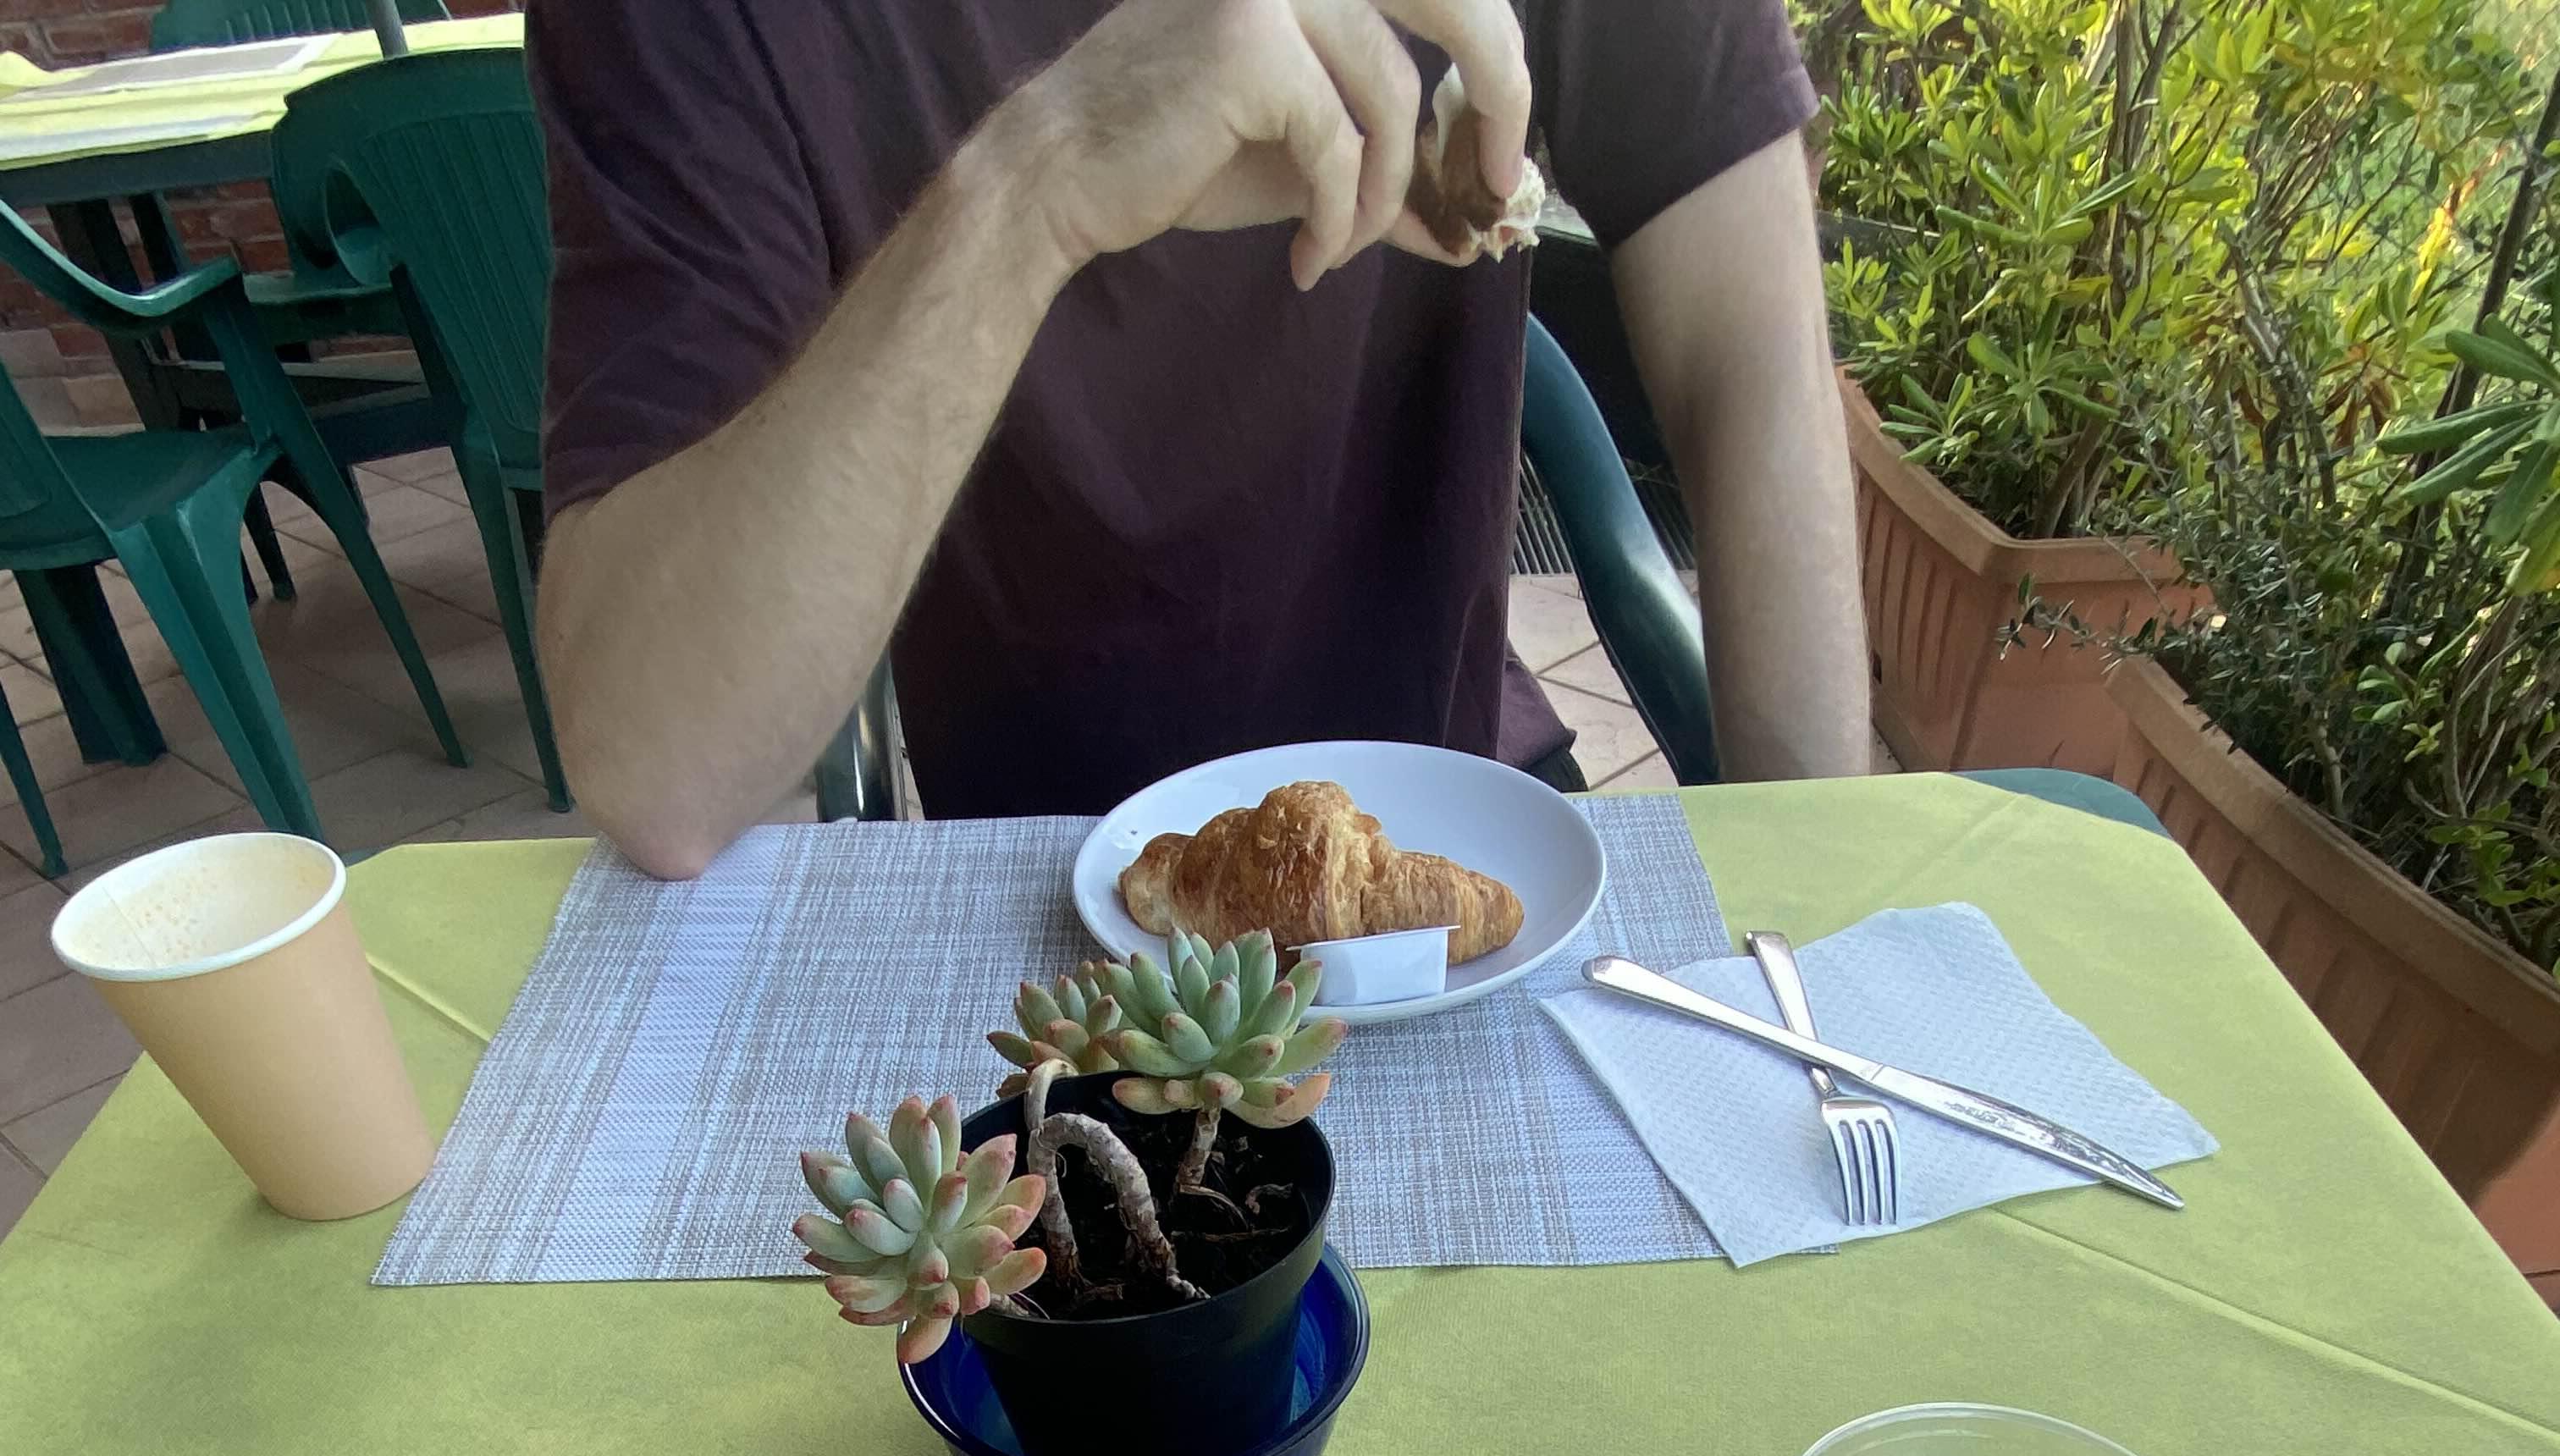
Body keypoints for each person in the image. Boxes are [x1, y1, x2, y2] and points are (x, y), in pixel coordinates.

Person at [529, 0, 1871, 879]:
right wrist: (1037, 180)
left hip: (1452, 816)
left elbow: (1751, 348)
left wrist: (1815, 914)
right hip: (1034, 877)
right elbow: (658, 768)